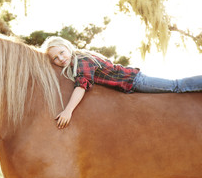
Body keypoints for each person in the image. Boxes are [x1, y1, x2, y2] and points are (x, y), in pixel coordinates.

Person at [41, 36, 202, 129]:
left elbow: (81, 85)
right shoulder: (73, 65)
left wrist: (68, 110)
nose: (61, 58)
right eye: (55, 58)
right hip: (128, 86)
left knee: (176, 86)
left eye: (62, 52)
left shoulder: (82, 60)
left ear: (68, 48)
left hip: (135, 81)